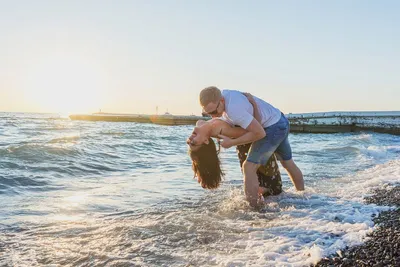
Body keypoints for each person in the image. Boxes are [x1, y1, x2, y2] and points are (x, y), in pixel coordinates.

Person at [199, 86, 304, 207]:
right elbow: (255, 123)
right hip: (280, 119)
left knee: (248, 167)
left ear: (222, 101)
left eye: (214, 112)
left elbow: (259, 133)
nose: (213, 116)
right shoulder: (226, 97)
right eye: (208, 113)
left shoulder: (234, 110)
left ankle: (253, 209)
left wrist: (232, 143)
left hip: (273, 127)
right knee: (287, 162)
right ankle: (303, 198)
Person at [187, 118, 282, 198]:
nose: (190, 140)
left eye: (189, 142)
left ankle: (264, 195)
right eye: (194, 143)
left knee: (263, 185)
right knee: (264, 186)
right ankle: (264, 195)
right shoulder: (219, 131)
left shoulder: (205, 126)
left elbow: (199, 157)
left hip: (253, 147)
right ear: (205, 141)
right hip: (252, 147)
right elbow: (252, 131)